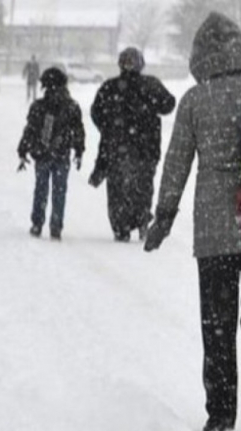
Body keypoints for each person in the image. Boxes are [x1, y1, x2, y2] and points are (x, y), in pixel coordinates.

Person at [144, 12, 241, 431]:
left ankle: (220, 416)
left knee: (219, 330)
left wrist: (163, 219)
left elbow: (176, 164)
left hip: (217, 231)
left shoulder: (195, 100)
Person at [89, 46, 176, 242]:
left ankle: (121, 227)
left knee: (117, 189)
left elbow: (96, 112)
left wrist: (109, 127)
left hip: (116, 148)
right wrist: (149, 107)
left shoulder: (110, 87)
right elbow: (169, 104)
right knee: (143, 186)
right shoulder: (150, 85)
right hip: (146, 148)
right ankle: (142, 218)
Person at [16, 67, 85, 240]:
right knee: (59, 191)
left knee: (41, 189)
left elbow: (30, 130)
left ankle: (37, 223)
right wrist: (79, 150)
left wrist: (23, 149)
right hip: (62, 155)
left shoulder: (39, 106)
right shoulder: (72, 106)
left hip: (42, 154)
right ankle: (56, 225)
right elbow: (78, 130)